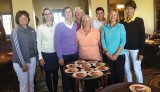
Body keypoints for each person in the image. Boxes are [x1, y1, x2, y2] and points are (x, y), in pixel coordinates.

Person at [11, 10, 37, 92]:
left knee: (31, 82)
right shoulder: (15, 31)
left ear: (28, 18)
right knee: (24, 84)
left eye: (25, 17)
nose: (23, 19)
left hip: (32, 59)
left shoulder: (32, 30)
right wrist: (22, 64)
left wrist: (36, 59)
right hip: (20, 62)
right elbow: (16, 49)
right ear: (17, 20)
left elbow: (34, 46)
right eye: (20, 18)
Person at [120, 0, 145, 83]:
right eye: (127, 8)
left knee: (137, 69)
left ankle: (140, 87)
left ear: (134, 9)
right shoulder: (122, 22)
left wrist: (141, 52)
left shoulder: (139, 21)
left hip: (136, 50)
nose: (129, 11)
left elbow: (142, 37)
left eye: (131, 8)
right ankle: (129, 85)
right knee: (126, 69)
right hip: (124, 49)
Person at [54, 6, 78, 92]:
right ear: (64, 14)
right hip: (64, 55)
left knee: (74, 74)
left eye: (70, 12)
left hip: (74, 54)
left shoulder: (75, 25)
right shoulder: (59, 26)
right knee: (65, 76)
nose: (68, 13)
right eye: (66, 12)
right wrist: (60, 57)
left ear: (72, 13)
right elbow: (57, 42)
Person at [76, 15, 101, 92]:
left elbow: (100, 45)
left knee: (95, 80)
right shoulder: (78, 33)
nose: (86, 22)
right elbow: (77, 46)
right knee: (87, 80)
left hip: (95, 60)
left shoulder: (96, 32)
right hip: (84, 61)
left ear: (90, 22)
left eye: (88, 20)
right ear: (82, 22)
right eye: (85, 20)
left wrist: (101, 58)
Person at [101, 9, 126, 85]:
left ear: (117, 16)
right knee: (109, 77)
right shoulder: (104, 27)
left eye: (115, 15)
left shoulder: (121, 26)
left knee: (119, 76)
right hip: (107, 56)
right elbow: (102, 40)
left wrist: (116, 54)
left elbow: (123, 41)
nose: (113, 16)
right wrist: (107, 52)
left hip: (119, 56)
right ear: (108, 16)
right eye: (111, 14)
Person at [36, 7, 59, 92]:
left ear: (52, 15)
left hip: (55, 54)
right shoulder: (40, 28)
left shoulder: (57, 26)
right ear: (43, 16)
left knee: (56, 74)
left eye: (49, 13)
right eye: (45, 14)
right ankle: (50, 90)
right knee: (48, 75)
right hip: (45, 54)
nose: (47, 15)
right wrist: (40, 57)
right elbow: (38, 43)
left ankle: (56, 90)